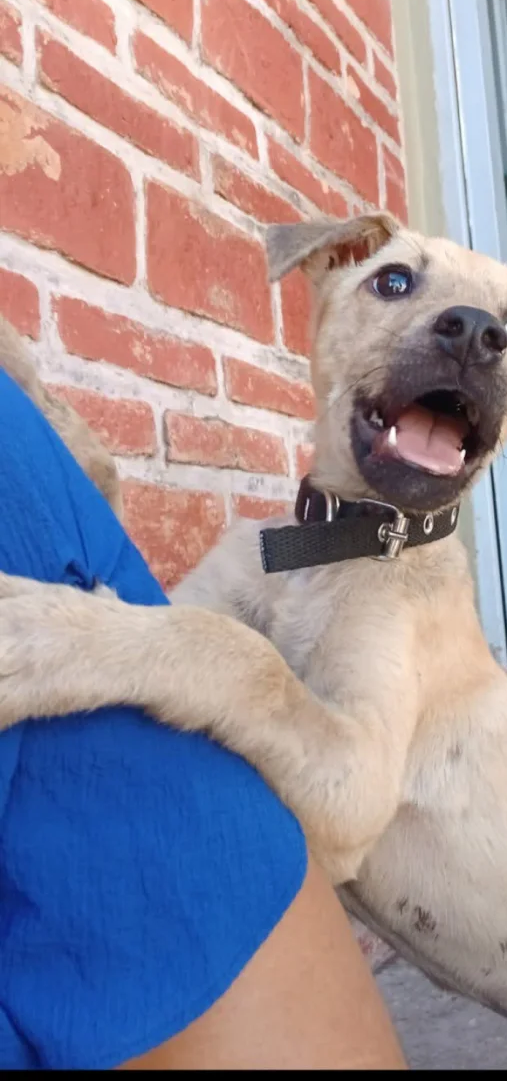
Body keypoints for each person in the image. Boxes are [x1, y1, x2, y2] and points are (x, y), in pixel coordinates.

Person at [0, 365, 406, 1070]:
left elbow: (348, 824)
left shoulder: (408, 592)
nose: (471, 335)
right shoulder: (277, 541)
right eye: (392, 296)